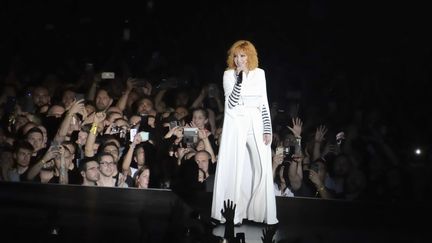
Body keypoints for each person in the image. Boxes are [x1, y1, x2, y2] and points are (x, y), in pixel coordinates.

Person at [211, 40, 278, 225]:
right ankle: (233, 214)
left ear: (250, 57)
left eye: (243, 55)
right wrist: (239, 79)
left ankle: (260, 212)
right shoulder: (228, 75)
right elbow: (230, 103)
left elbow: (264, 103)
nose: (239, 59)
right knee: (235, 168)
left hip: (256, 122)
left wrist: (267, 129)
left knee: (261, 167)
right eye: (236, 56)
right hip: (236, 123)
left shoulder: (260, 74)